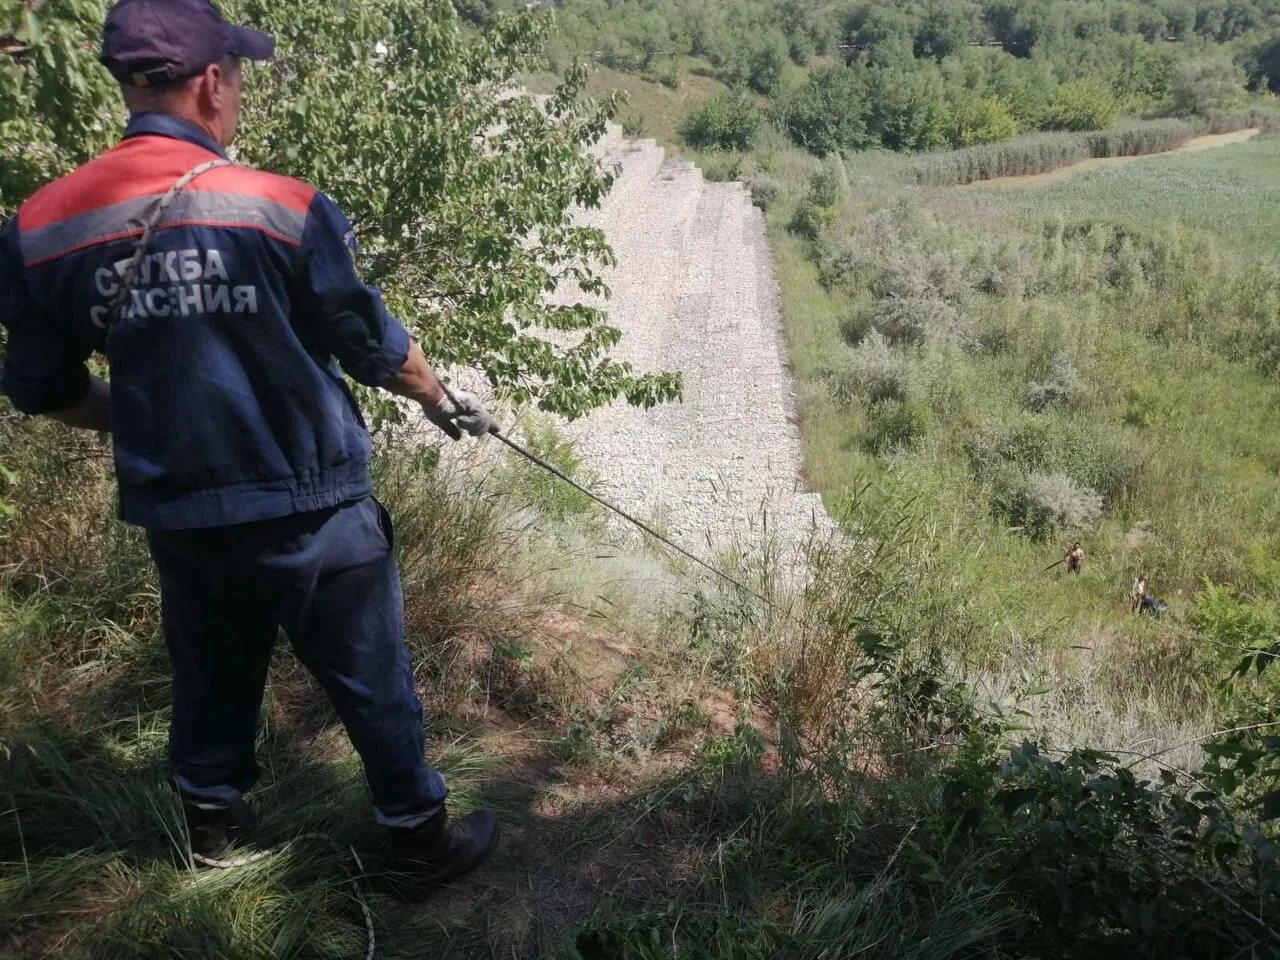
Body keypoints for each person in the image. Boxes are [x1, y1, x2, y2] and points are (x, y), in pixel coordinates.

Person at [0, 0, 497, 880]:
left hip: (184, 511)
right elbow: (369, 340)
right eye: (235, 76)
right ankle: (420, 843)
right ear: (208, 83)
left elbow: (44, 389)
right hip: (313, 507)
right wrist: (440, 397)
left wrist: (141, 414)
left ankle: (215, 840)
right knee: (369, 678)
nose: (236, 94)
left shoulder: (42, 225)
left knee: (210, 676)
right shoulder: (281, 207)